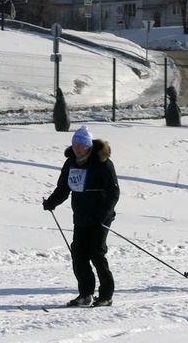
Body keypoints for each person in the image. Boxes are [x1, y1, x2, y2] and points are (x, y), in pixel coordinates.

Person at [43, 126, 120, 307]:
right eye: (75, 144)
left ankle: (106, 295)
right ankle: (85, 294)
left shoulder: (103, 163)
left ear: (88, 146)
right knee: (78, 255)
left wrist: (103, 215)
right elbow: (64, 188)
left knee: (96, 254)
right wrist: (52, 202)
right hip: (81, 217)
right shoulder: (71, 163)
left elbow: (113, 193)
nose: (77, 148)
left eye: (81, 144)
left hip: (100, 217)